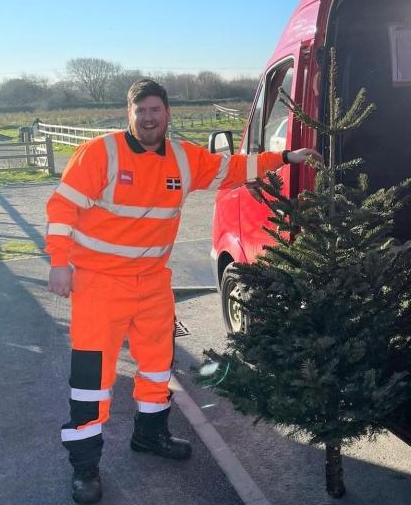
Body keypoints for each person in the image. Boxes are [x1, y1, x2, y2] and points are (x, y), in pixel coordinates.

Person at [45, 79, 319, 504]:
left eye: (156, 110)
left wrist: (284, 156)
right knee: (91, 379)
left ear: (167, 113)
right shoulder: (102, 153)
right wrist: (59, 264)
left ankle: (150, 436)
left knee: (157, 366)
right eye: (141, 111)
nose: (149, 118)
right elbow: (62, 209)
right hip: (99, 284)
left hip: (153, 282)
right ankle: (85, 467)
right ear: (129, 114)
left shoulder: (183, 158)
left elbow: (231, 168)